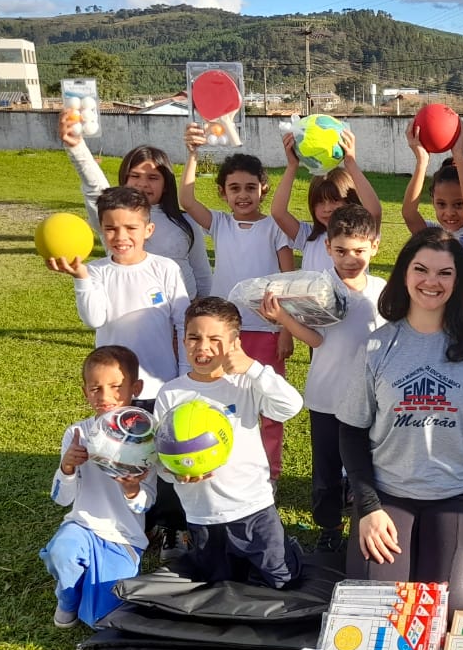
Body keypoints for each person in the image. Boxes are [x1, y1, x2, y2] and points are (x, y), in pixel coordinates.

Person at [337, 227, 463, 612]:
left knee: (449, 611)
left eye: (445, 273)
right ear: (404, 273)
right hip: (388, 493)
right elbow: (352, 432)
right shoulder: (376, 347)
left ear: (458, 281)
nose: (431, 282)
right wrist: (368, 509)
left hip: (460, 494)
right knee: (379, 609)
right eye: (421, 269)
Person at [258, 204, 386, 554]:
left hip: (372, 400)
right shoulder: (317, 288)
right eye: (341, 250)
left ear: (374, 247)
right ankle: (329, 527)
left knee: (368, 468)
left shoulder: (384, 291)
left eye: (359, 251)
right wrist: (283, 317)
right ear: (327, 247)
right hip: (327, 397)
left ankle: (366, 523)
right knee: (327, 470)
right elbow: (316, 339)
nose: (350, 258)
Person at [154, 297, 305, 588]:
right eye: (194, 337)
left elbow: (291, 406)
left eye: (215, 339)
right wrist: (174, 473)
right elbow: (161, 455)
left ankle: (289, 551)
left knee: (281, 580)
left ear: (235, 342)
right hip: (202, 513)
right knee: (219, 584)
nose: (203, 347)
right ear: (183, 339)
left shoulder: (245, 382)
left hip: (253, 507)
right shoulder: (171, 394)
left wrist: (253, 368)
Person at [181, 132, 293, 478]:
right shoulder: (221, 223)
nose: (242, 195)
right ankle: (224, 462)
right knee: (223, 400)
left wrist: (287, 329)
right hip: (224, 334)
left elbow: (289, 280)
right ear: (223, 192)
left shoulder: (276, 227)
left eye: (249, 187)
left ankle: (269, 473)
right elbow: (186, 198)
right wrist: (193, 154)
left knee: (267, 408)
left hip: (267, 332)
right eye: (234, 188)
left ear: (263, 189)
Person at [40, 345, 156, 628]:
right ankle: (67, 598)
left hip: (124, 538)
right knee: (62, 552)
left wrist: (131, 490)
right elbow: (61, 499)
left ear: (136, 387)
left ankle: (91, 596)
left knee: (101, 620)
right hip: (83, 525)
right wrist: (67, 467)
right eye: (95, 389)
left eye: (116, 386)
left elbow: (147, 502)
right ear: (85, 391)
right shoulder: (77, 433)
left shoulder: (147, 437)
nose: (105, 397)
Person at [46, 185, 189, 400]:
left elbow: (182, 324)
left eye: (131, 228)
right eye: (111, 228)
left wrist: (185, 375)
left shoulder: (165, 268)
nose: (121, 236)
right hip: (114, 391)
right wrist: (81, 279)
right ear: (101, 229)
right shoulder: (94, 271)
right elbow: (94, 319)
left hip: (161, 384)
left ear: (148, 229)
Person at [58, 110, 211, 298]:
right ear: (124, 178)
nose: (143, 184)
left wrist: (205, 311)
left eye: (153, 178)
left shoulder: (185, 221)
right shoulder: (113, 214)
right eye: (135, 176)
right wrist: (77, 147)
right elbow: (94, 186)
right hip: (134, 313)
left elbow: (202, 272)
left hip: (185, 315)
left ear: (165, 185)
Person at [400, 125, 463, 328]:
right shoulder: (433, 236)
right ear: (432, 200)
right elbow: (409, 213)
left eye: (458, 204)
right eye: (441, 204)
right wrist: (422, 162)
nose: (449, 212)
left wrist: (459, 154)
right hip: (446, 325)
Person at [271, 126, 382, 274]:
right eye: (320, 202)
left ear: (349, 201)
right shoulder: (307, 235)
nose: (327, 208)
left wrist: (351, 164)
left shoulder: (360, 234)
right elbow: (278, 212)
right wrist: (292, 166)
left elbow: (374, 212)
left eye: (334, 200)